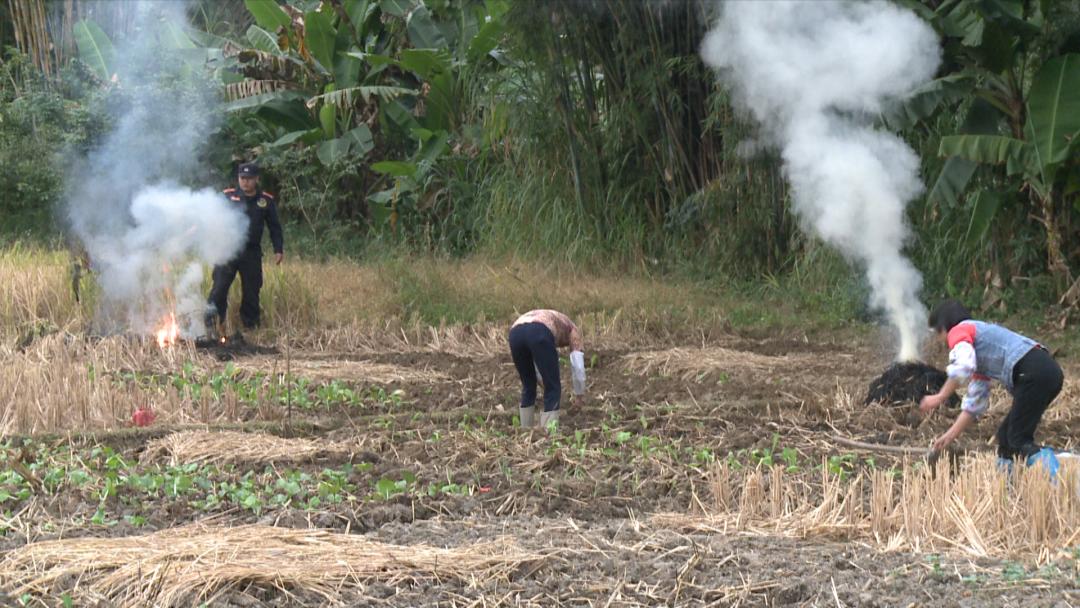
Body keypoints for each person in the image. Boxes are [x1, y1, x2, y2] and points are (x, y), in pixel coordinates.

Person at [919, 299, 1063, 469]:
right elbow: (975, 404)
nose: (940, 341)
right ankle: (1007, 489)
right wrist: (949, 436)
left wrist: (940, 396)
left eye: (938, 334)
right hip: (1047, 372)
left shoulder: (959, 331)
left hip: (1033, 373)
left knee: (1018, 439)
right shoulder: (979, 346)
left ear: (943, 327)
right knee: (1006, 438)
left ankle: (1059, 482)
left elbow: (963, 365)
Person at [206, 163, 284, 332]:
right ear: (238, 178)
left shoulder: (265, 200)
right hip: (228, 250)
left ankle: (250, 327)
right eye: (242, 178)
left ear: (257, 179)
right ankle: (212, 326)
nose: (245, 182)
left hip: (251, 252)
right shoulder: (228, 196)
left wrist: (278, 249)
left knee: (251, 290)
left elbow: (275, 227)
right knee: (219, 288)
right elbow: (211, 217)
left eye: (249, 179)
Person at [508, 309, 587, 431]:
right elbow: (578, 366)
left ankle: (525, 429)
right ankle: (549, 432)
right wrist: (579, 396)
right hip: (539, 331)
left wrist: (542, 381)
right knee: (553, 387)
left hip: (515, 334)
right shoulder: (573, 330)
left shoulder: (556, 319)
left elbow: (536, 362)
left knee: (528, 385)